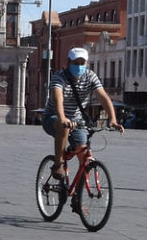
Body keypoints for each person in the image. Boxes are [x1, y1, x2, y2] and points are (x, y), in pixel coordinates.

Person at [42, 47, 123, 180]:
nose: (79, 66)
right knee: (63, 127)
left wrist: (113, 119)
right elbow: (58, 98)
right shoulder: (59, 77)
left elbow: (103, 97)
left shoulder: (90, 76)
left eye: (82, 63)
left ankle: (79, 191)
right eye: (76, 63)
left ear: (86, 63)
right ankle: (58, 164)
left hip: (77, 120)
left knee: (84, 156)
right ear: (69, 63)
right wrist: (62, 118)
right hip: (54, 117)